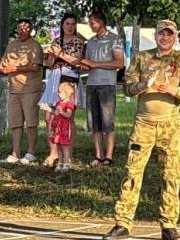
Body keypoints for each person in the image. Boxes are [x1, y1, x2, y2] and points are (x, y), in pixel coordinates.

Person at [103, 20, 180, 240]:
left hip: (170, 124)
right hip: (144, 123)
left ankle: (169, 224)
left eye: (169, 34)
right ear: (155, 35)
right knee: (133, 173)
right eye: (161, 34)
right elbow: (127, 86)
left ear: (175, 37)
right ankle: (123, 222)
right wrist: (142, 86)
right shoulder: (142, 58)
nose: (165, 38)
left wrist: (174, 90)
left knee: (171, 175)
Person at [79, 11, 125, 167]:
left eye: (93, 22)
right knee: (94, 122)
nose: (91, 25)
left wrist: (95, 64)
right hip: (91, 84)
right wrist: (85, 66)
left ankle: (109, 156)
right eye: (90, 22)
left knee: (107, 122)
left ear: (102, 22)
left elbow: (119, 63)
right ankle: (98, 156)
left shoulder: (114, 40)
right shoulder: (90, 42)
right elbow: (89, 64)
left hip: (107, 85)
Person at [41, 13, 86, 166]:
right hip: (55, 77)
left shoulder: (78, 41)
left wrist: (60, 53)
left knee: (67, 116)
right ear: (62, 25)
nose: (70, 27)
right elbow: (48, 64)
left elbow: (76, 60)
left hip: (69, 77)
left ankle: (68, 154)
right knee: (49, 115)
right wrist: (52, 55)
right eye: (67, 23)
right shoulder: (56, 41)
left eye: (73, 24)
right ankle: (54, 153)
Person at [0, 19, 45, 165]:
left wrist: (15, 68)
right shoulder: (12, 45)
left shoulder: (35, 45)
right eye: (20, 28)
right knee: (15, 122)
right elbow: (3, 63)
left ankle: (31, 152)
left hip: (30, 88)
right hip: (14, 89)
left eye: (26, 28)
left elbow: (35, 66)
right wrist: (1, 67)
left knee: (31, 122)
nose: (22, 30)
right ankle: (15, 153)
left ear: (31, 30)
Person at [49, 81, 77, 172]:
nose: (58, 94)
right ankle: (60, 162)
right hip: (57, 128)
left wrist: (62, 112)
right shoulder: (58, 103)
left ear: (67, 94)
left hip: (64, 128)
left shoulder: (69, 103)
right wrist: (49, 109)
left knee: (65, 146)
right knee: (58, 145)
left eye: (60, 92)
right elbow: (56, 113)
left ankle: (66, 162)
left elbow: (68, 115)